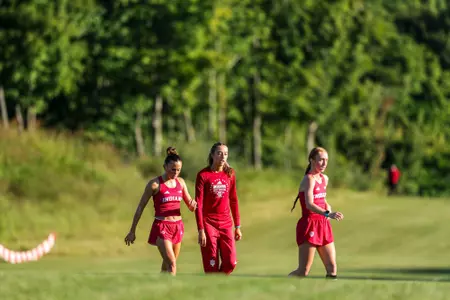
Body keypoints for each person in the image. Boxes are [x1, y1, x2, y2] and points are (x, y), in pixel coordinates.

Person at [124, 147, 197, 276]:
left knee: (166, 267)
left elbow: (190, 206)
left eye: (178, 170)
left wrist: (193, 205)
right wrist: (132, 230)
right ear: (165, 167)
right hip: (162, 227)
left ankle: (159, 291)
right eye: (172, 169)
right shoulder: (154, 184)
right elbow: (140, 207)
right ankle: (172, 294)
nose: (175, 173)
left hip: (178, 227)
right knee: (172, 264)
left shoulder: (181, 182)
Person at [289, 147, 344, 279]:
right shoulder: (309, 179)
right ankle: (282, 287)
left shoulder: (324, 178)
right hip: (310, 225)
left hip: (323, 225)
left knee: (332, 267)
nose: (324, 163)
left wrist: (328, 207)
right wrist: (327, 213)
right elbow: (309, 203)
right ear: (312, 161)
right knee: (303, 271)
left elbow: (321, 199)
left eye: (326, 160)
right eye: (321, 160)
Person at [195, 142, 242, 275]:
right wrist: (201, 229)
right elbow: (199, 204)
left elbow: (234, 200)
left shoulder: (230, 174)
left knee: (231, 262)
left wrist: (237, 226)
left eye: (226, 154)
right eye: (219, 153)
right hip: (209, 223)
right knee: (211, 264)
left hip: (226, 223)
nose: (223, 157)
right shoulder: (203, 175)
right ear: (212, 155)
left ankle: (219, 281)